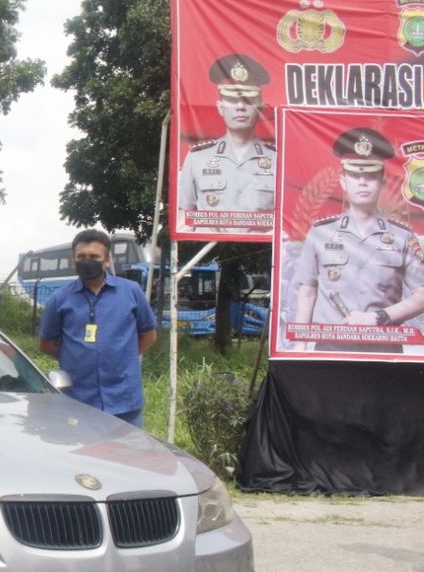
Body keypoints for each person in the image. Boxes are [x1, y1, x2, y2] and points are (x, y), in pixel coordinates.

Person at [291, 127, 424, 353]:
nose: (362, 182)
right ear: (343, 182)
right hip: (331, 349)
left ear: (382, 182)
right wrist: (299, 345)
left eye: (370, 176)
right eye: (355, 175)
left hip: (384, 351)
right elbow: (307, 291)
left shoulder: (403, 237)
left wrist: (379, 317)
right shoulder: (320, 232)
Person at [39, 229, 158, 428]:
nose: (87, 261)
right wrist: (75, 357)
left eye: (94, 256)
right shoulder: (59, 299)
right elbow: (46, 344)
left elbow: (148, 335)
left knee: (129, 457)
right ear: (73, 260)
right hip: (78, 400)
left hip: (124, 400)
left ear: (107, 260)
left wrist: (121, 355)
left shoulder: (131, 292)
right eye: (81, 256)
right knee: (82, 458)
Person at [178, 53, 276, 232]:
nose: (240, 106)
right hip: (207, 253)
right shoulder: (197, 158)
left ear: (259, 107)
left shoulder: (279, 159)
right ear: (220, 107)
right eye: (231, 99)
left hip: (262, 252)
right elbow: (185, 218)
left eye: (248, 100)